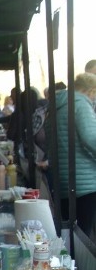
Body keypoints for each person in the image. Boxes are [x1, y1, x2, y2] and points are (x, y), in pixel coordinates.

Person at [54, 72, 96, 239]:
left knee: (70, 236)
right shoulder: (80, 104)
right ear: (91, 90)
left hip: (63, 181)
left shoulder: (57, 106)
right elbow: (91, 138)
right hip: (84, 181)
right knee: (84, 237)